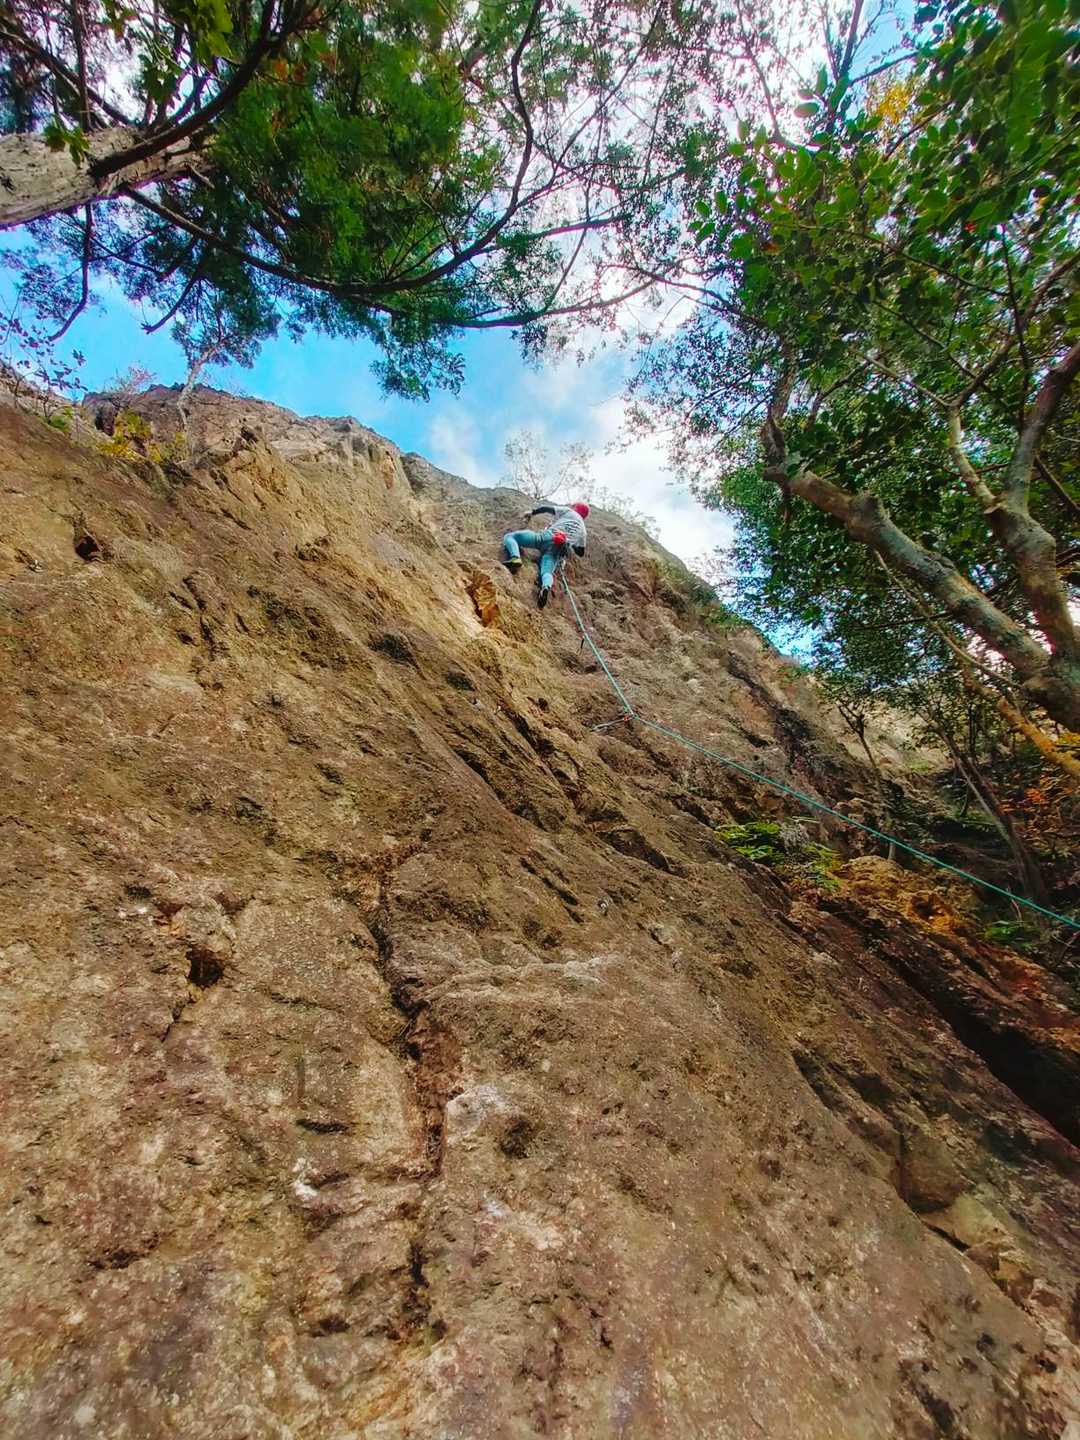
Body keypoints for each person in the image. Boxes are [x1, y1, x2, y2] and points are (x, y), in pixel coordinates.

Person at [502, 502, 589, 608]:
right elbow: (581, 552)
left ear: (575, 508)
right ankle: (546, 587)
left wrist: (532, 512)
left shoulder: (569, 511)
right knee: (547, 571)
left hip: (548, 537)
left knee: (511, 536)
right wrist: (570, 542)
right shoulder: (583, 530)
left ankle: (515, 558)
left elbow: (547, 508)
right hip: (558, 549)